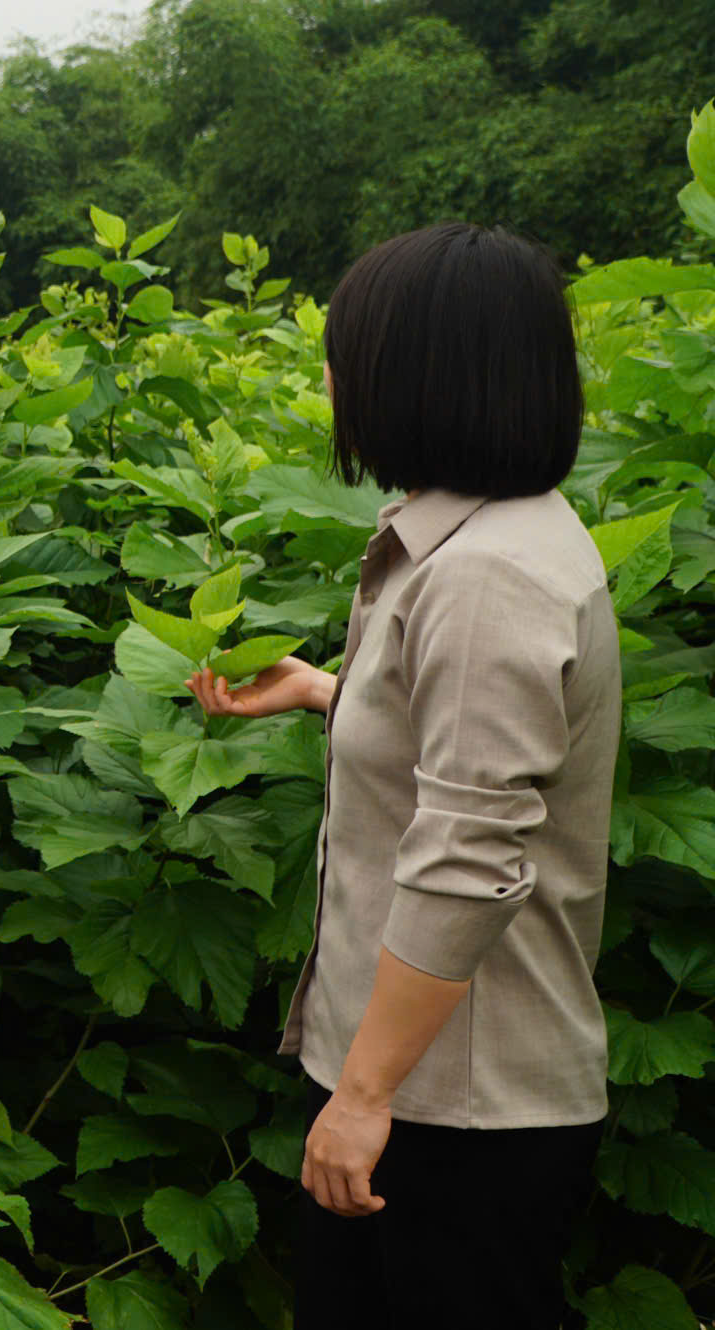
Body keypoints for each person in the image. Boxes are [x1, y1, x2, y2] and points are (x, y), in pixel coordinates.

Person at [186, 224, 617, 1330]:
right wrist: (325, 691)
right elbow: (472, 750)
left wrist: (365, 1094)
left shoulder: (485, 575)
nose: (332, 381)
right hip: (435, 1092)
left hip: (451, 1111)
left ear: (422, 374)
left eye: (347, 356)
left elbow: (470, 854)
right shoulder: (494, 539)